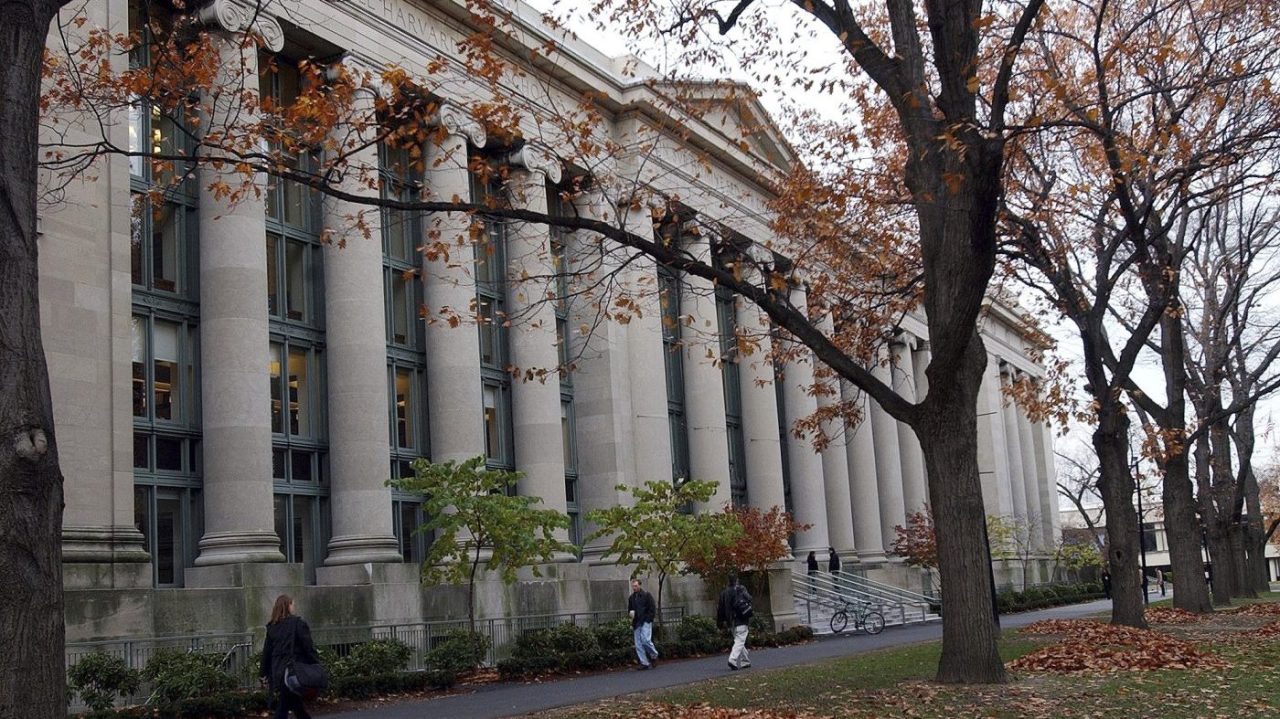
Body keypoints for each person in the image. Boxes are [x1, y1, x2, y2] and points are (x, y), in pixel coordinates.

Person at [260, 594, 321, 719]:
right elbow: (308, 647)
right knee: (286, 705)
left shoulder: (272, 627)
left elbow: (267, 651)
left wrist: (263, 672)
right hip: (295, 669)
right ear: (287, 606)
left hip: (278, 670)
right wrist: (316, 664)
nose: (294, 607)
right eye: (293, 604)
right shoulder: (298, 624)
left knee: (293, 703)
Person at [716, 574, 753, 671]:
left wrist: (720, 623)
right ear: (737, 580)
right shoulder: (740, 590)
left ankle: (745, 661)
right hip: (741, 619)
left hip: (730, 621)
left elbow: (720, 610)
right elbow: (750, 599)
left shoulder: (723, 593)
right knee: (740, 641)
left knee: (739, 641)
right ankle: (732, 659)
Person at [627, 578, 659, 670]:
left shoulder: (647, 595)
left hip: (645, 620)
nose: (634, 588)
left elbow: (652, 608)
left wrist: (649, 619)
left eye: (636, 586)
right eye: (633, 586)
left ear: (640, 585)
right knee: (638, 644)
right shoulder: (631, 598)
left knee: (645, 640)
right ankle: (644, 662)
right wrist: (631, 614)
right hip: (636, 621)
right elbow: (630, 609)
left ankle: (654, 655)